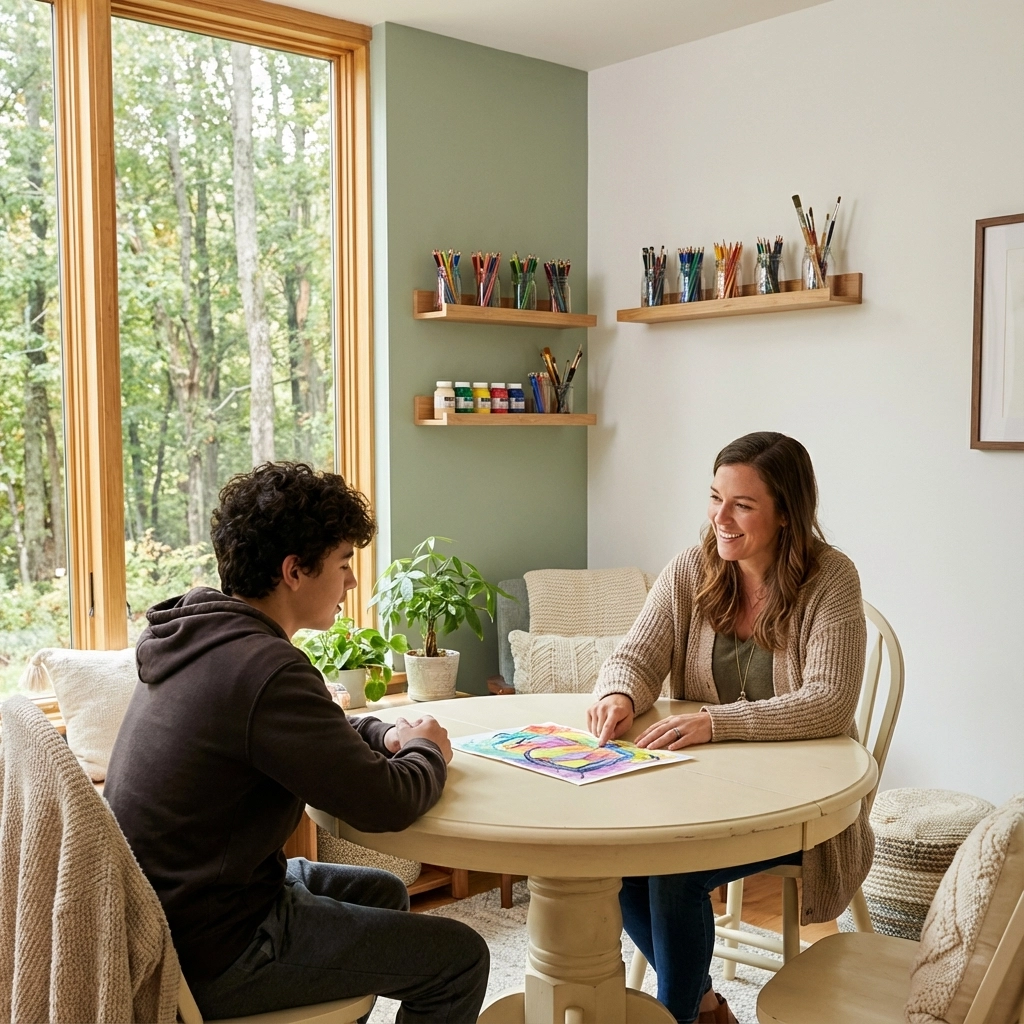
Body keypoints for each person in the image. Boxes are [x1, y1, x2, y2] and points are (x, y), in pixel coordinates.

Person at [105, 462, 489, 1023]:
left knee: (384, 892)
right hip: (217, 947)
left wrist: (386, 732)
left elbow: (315, 732)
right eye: (343, 564)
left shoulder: (208, 636)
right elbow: (387, 804)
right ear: (294, 571)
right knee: (461, 958)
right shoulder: (265, 669)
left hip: (184, 908)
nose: (352, 582)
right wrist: (427, 747)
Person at [586, 432, 872, 1024]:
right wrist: (617, 692)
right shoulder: (693, 568)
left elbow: (829, 701)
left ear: (787, 513)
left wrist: (717, 723)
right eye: (715, 497)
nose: (720, 518)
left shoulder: (831, 579)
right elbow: (635, 655)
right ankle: (704, 1003)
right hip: (699, 791)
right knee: (608, 860)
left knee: (672, 876)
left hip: (800, 802)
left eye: (742, 504)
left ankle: (680, 1014)